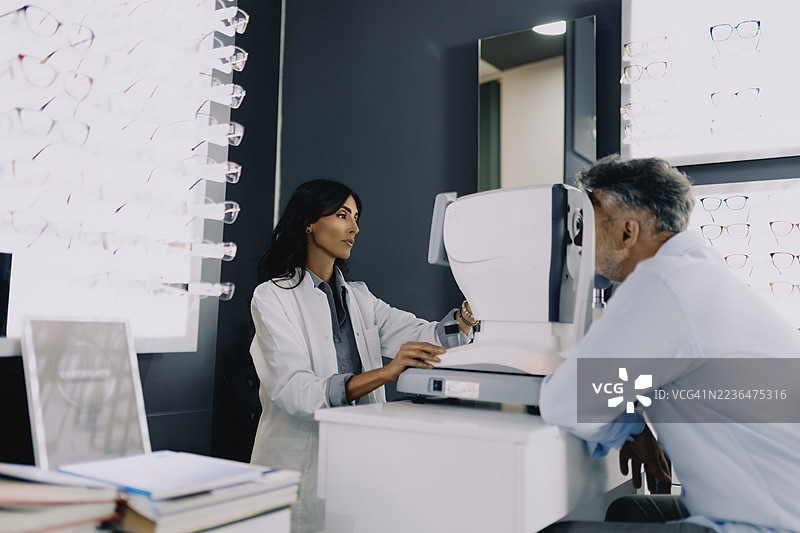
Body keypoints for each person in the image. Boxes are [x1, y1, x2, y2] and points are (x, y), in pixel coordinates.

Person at [538, 155, 800, 532]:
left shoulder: (662, 283)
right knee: (628, 512)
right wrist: (636, 429)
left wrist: (628, 428)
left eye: (587, 221)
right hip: (776, 508)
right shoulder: (699, 274)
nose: (577, 240)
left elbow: (565, 402)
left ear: (628, 232)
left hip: (767, 526)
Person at [249, 178, 477, 533]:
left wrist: (468, 311)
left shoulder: (360, 298)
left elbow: (428, 336)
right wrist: (386, 374)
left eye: (355, 217)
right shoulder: (273, 297)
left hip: (358, 460)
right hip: (300, 465)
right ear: (309, 223)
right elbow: (295, 391)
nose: (354, 227)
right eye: (342, 215)